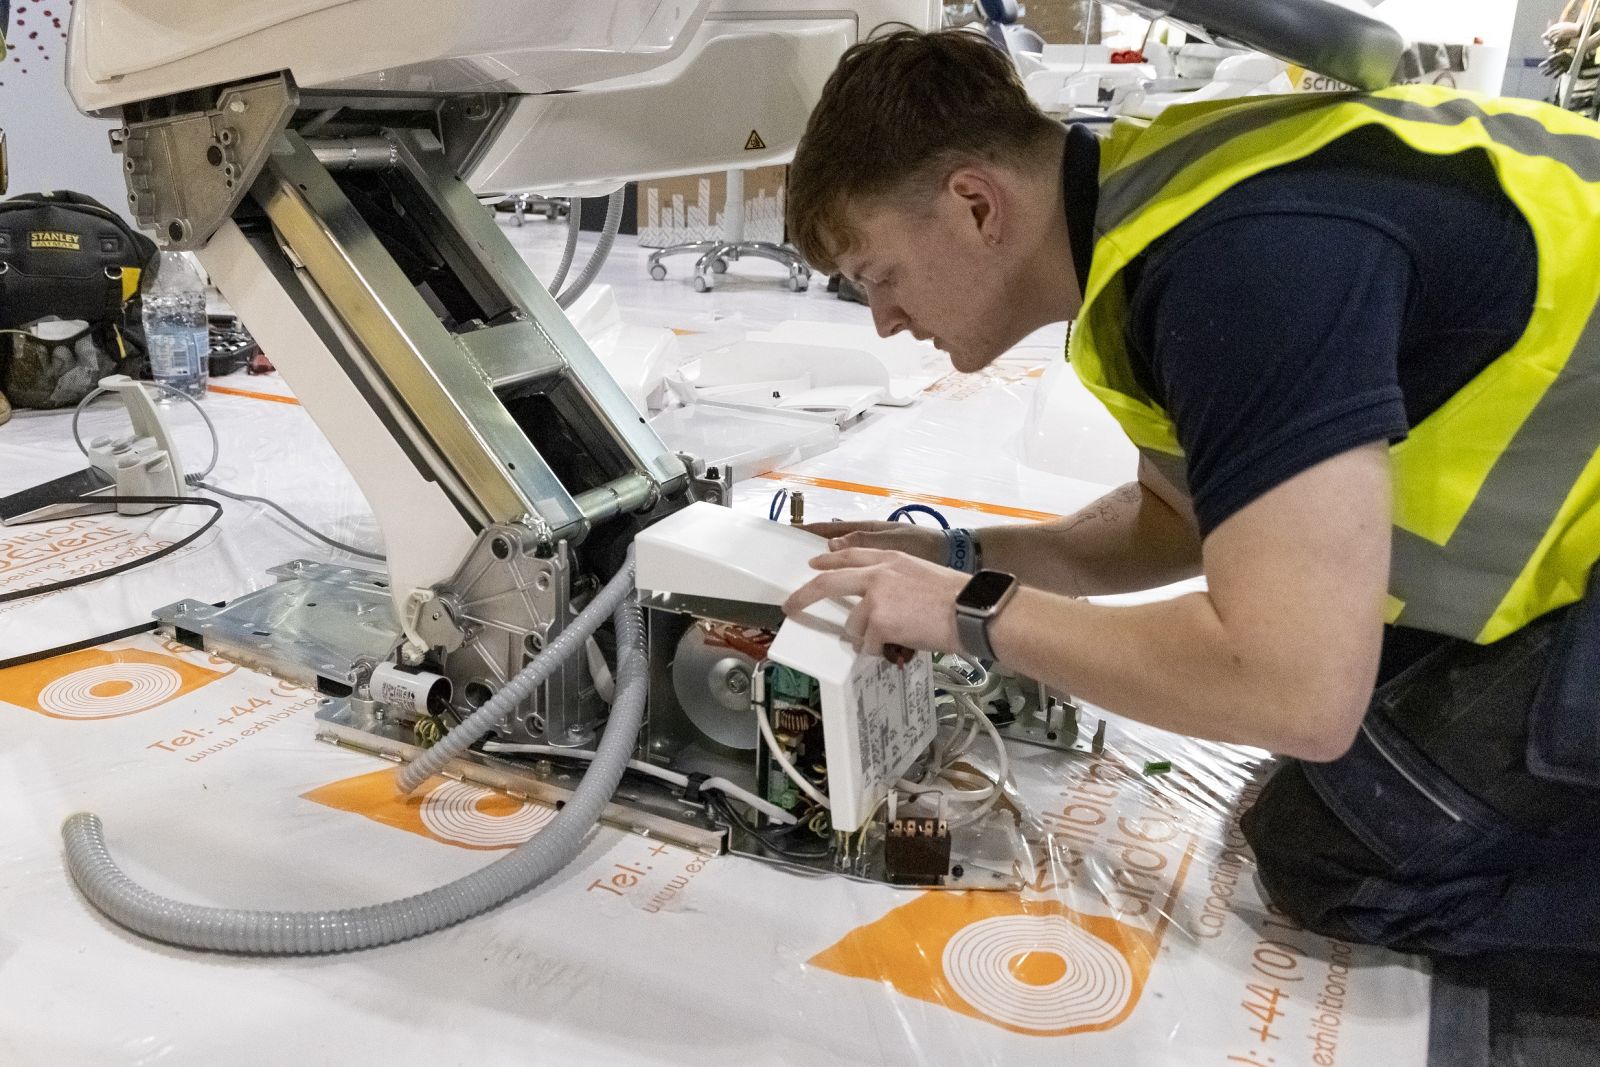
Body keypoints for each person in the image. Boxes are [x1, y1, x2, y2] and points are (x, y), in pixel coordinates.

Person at [780, 28, 1600, 959]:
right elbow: (1177, 522)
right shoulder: (1150, 209)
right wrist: (960, 555)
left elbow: (1296, 686)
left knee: (1330, 850)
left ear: (974, 204)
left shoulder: (1242, 265)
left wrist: (970, 612)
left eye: (878, 277)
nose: (886, 320)